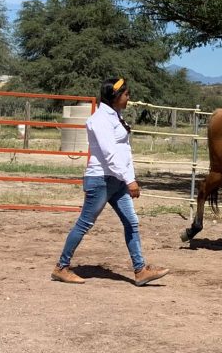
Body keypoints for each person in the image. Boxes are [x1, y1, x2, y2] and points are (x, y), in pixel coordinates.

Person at [50, 78, 169, 287]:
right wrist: (130, 180)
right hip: (101, 180)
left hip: (116, 180)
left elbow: (124, 152)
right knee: (85, 223)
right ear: (115, 97)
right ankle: (61, 267)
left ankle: (140, 270)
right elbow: (110, 154)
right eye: (126, 94)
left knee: (131, 222)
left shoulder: (115, 116)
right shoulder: (100, 120)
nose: (129, 97)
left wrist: (128, 178)